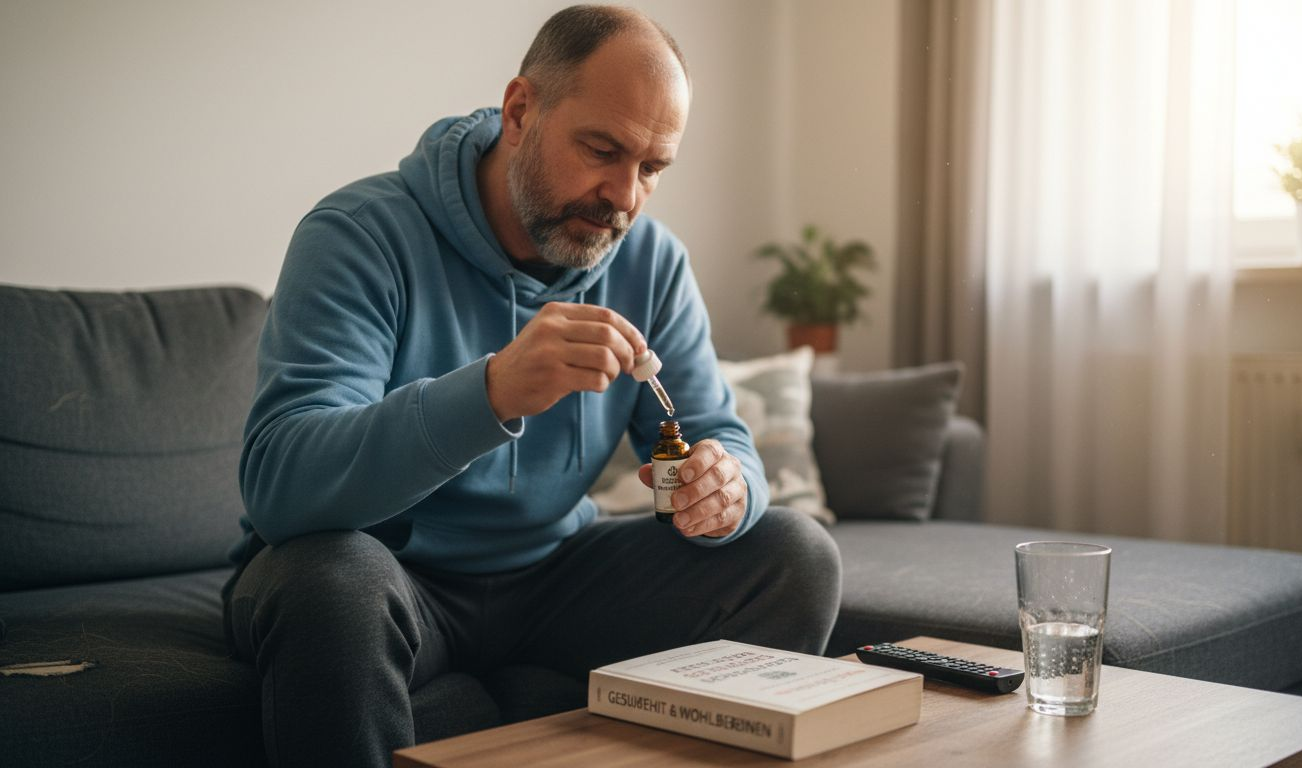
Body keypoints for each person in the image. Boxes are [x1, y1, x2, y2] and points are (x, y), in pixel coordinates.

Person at [224, 5, 841, 767]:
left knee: (795, 555)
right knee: (332, 586)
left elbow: (718, 432)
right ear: (521, 110)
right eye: (602, 149)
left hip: (553, 579)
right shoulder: (359, 236)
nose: (624, 197)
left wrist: (728, 488)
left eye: (651, 168)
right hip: (390, 577)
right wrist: (490, 392)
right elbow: (283, 486)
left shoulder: (651, 262)